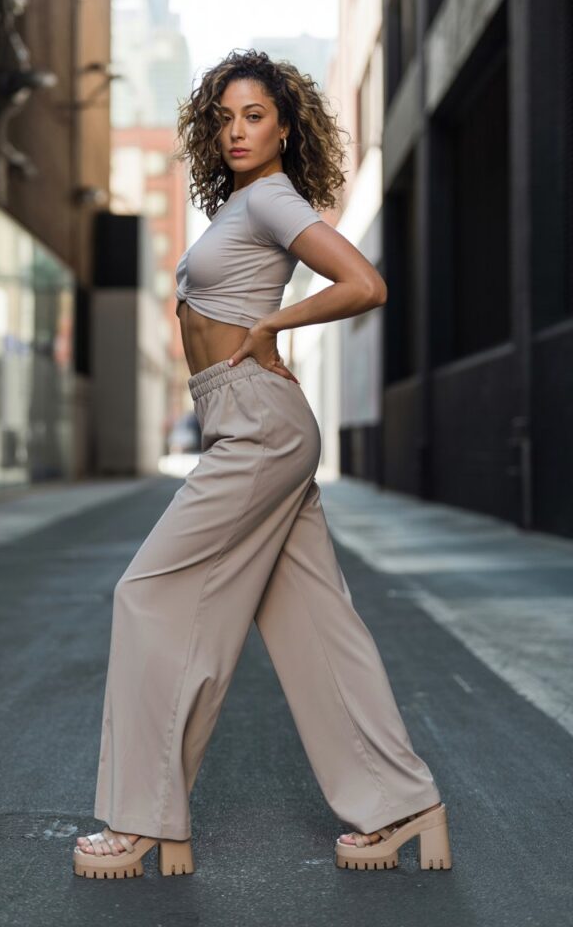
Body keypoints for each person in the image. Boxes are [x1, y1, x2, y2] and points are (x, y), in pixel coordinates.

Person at [73, 49, 452, 879]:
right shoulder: (245, 201)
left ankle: (144, 821)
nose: (238, 131)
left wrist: (273, 327)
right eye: (226, 118)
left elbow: (364, 283)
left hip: (257, 426)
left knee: (149, 595)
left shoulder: (275, 198)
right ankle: (404, 807)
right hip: (242, 420)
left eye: (255, 116)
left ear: (285, 125)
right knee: (315, 621)